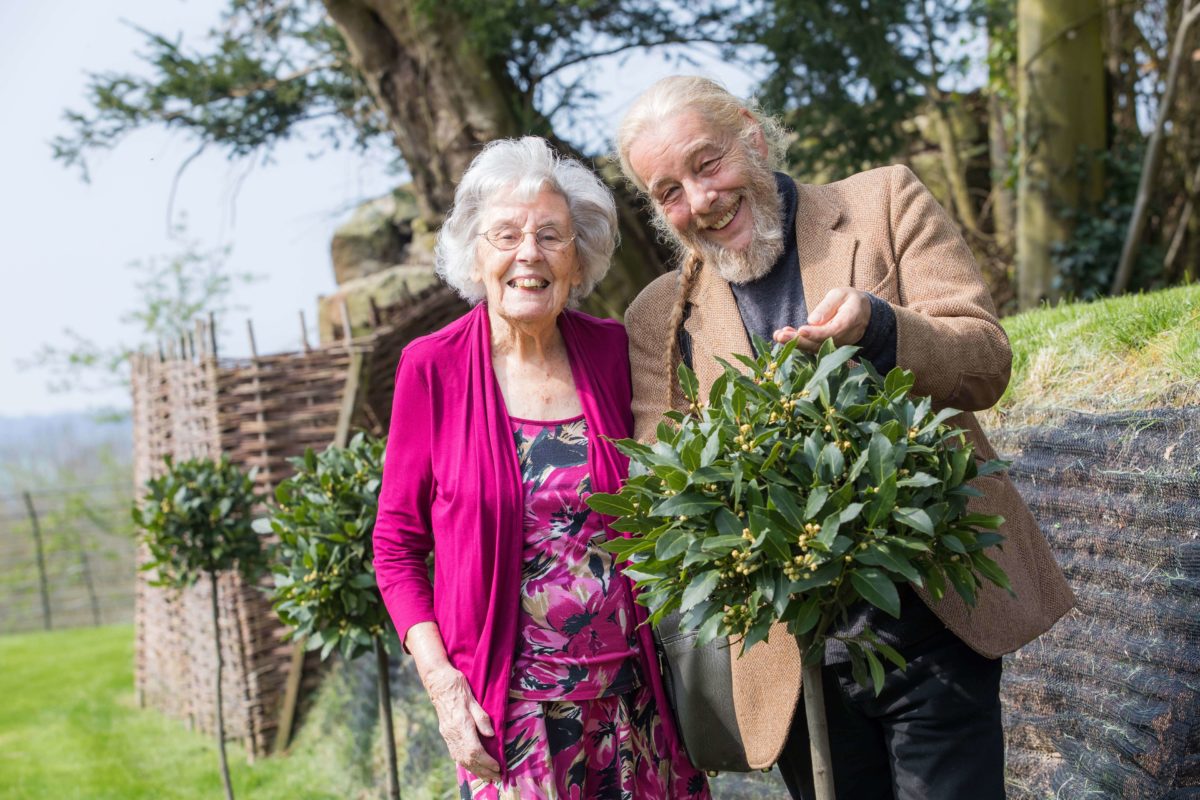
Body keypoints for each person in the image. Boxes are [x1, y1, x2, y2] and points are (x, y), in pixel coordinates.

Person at [616, 76, 1075, 800]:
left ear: (752, 136)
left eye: (708, 164)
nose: (700, 200)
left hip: (932, 619)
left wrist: (882, 328)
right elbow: (661, 484)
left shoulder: (882, 202)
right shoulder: (659, 317)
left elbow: (986, 359)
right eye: (668, 190)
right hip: (791, 661)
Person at [372, 136, 710, 800]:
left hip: (637, 698)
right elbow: (396, 545)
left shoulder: (616, 351)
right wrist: (443, 685)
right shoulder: (432, 368)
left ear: (579, 259)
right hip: (513, 712)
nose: (529, 254)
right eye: (506, 235)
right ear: (476, 253)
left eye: (551, 236)